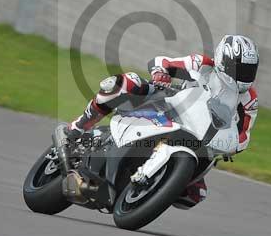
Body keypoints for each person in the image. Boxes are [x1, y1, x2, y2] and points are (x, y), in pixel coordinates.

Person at [66, 35, 259, 209]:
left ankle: (156, 185)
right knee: (127, 83)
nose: (244, 74)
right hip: (168, 105)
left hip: (200, 137)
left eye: (249, 69)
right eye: (241, 68)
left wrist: (230, 145)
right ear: (223, 60)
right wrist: (161, 73)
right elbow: (162, 62)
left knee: (194, 196)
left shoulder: (249, 99)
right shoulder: (202, 65)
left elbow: (244, 134)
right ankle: (79, 126)